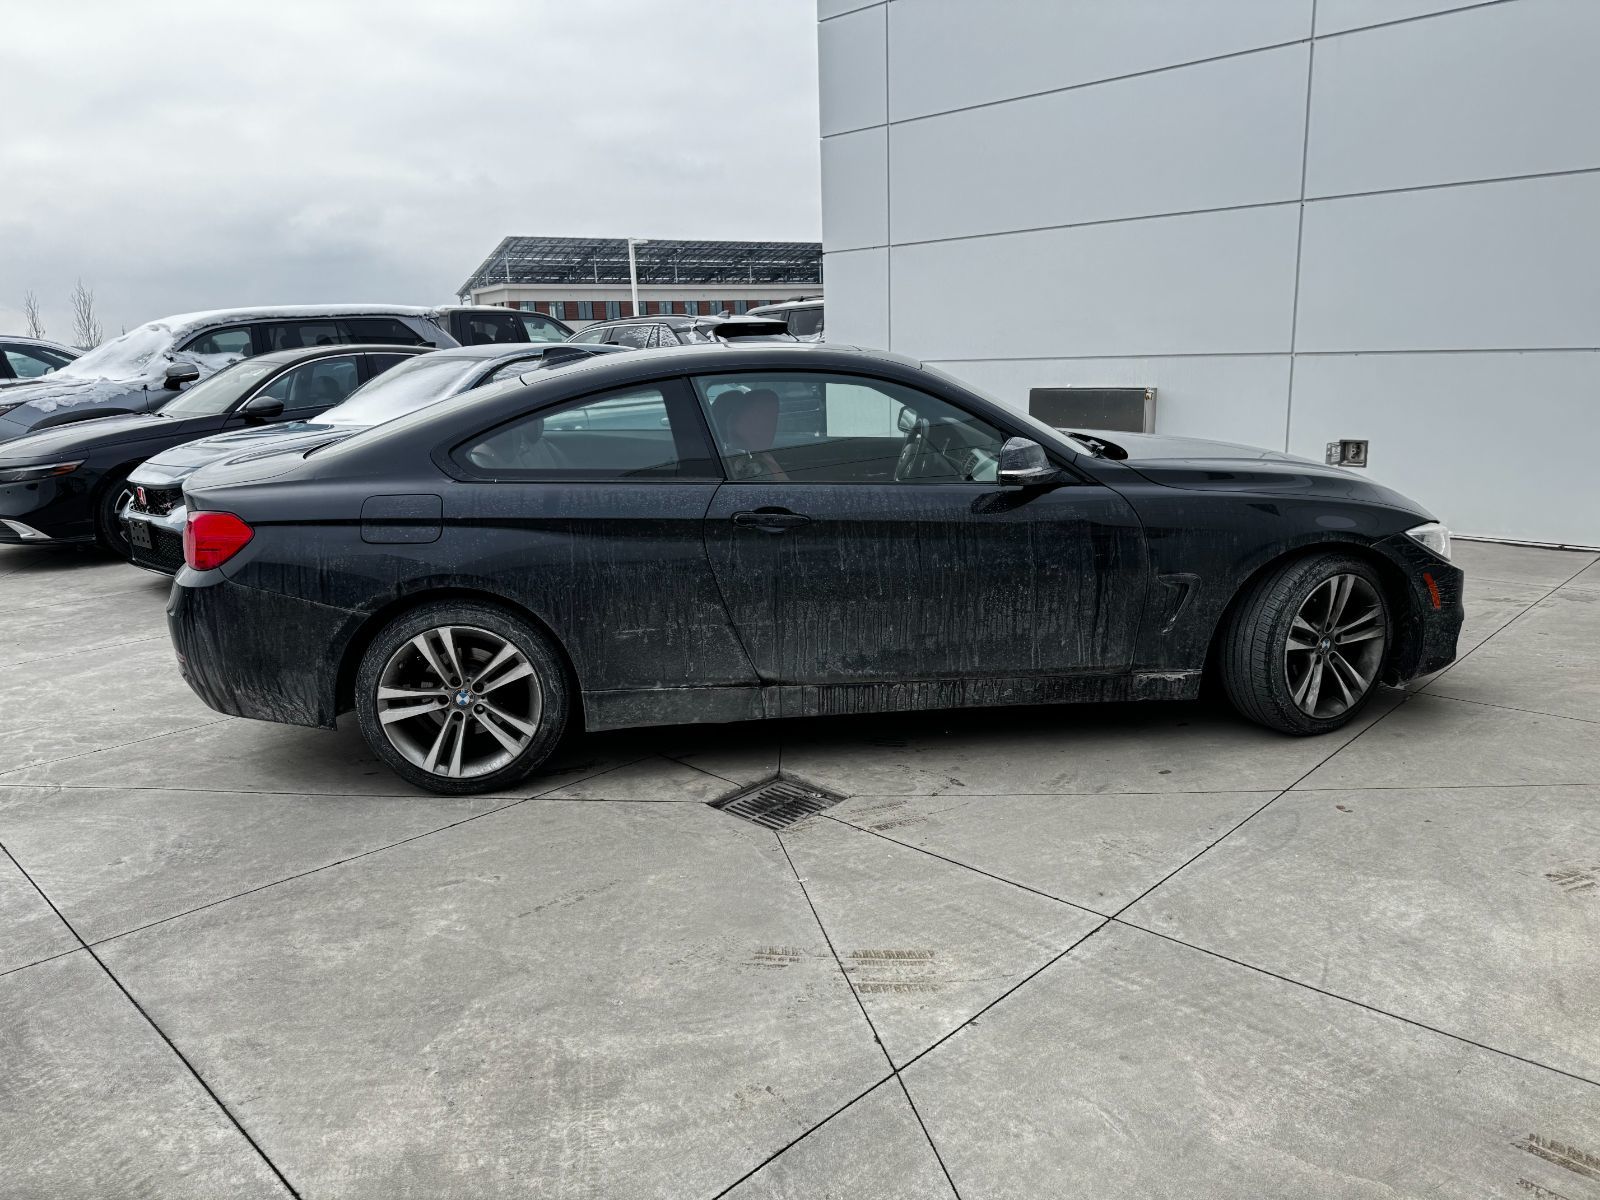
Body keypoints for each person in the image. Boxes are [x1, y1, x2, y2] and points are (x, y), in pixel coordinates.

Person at [713, 388, 788, 480]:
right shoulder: (740, 468)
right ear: (736, 422)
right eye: (760, 419)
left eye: (771, 418)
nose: (769, 425)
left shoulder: (760, 455)